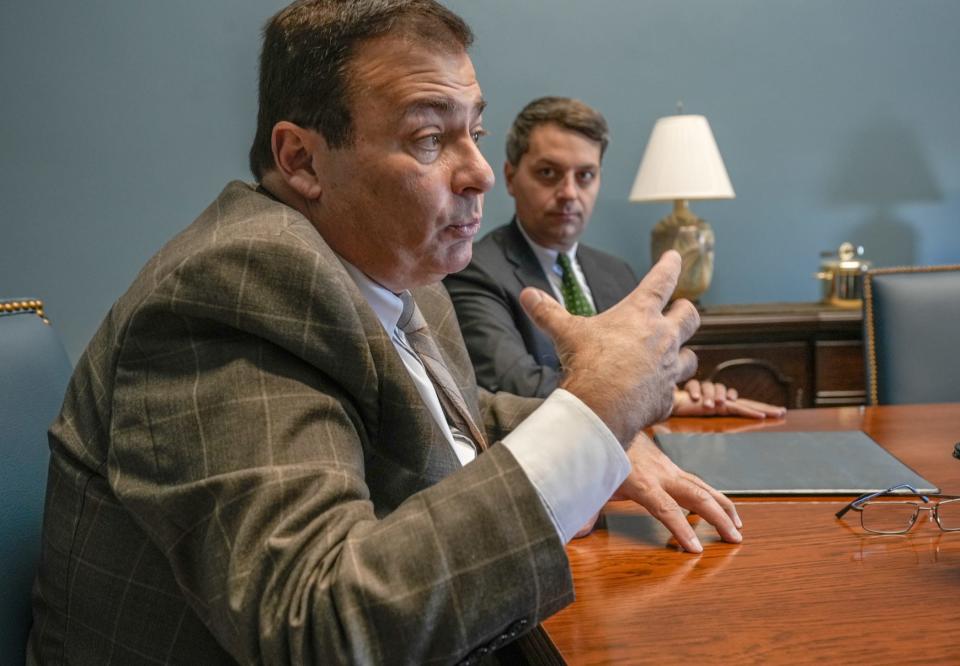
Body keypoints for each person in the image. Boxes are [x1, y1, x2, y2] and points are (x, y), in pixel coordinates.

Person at [28, 4, 743, 664]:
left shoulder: (402, 271)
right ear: (302, 159)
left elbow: (439, 422)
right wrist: (592, 416)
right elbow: (317, 624)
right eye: (430, 137)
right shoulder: (234, 287)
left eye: (476, 131)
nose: (481, 173)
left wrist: (608, 444)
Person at [444, 96, 785, 419]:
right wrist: (666, 401)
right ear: (510, 177)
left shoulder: (615, 272)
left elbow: (654, 373)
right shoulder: (477, 271)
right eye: (548, 173)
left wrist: (688, 393)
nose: (569, 193)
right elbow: (518, 387)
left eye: (585, 176)